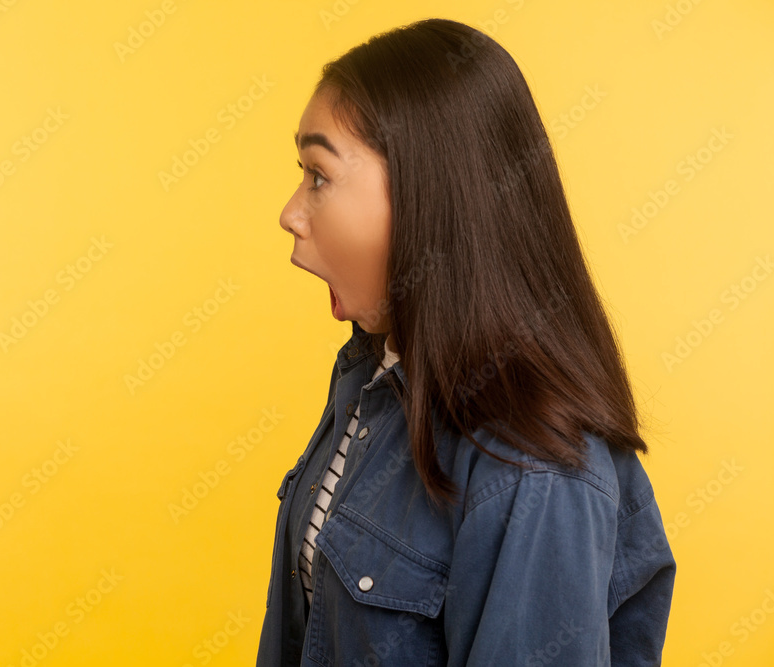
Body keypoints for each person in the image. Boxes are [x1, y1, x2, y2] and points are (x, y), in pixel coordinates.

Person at [258, 17, 676, 666]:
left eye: (319, 174)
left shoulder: (534, 473)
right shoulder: (372, 380)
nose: (289, 213)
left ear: (428, 194)